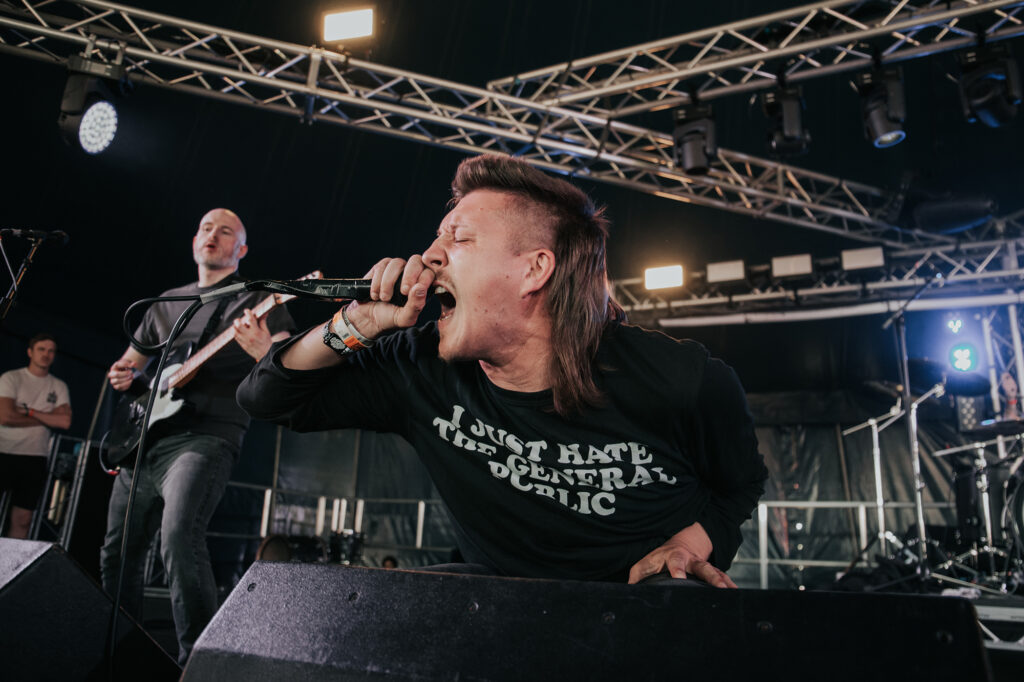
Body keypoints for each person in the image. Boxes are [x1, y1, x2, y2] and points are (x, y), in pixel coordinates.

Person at [238, 156, 767, 586]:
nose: (428, 256)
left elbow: (739, 488)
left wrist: (687, 546)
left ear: (534, 269)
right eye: (436, 238)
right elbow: (267, 397)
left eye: (459, 239)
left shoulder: (681, 378)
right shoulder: (419, 366)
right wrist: (357, 322)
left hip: (635, 604)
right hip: (499, 602)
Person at [102, 208, 295, 664]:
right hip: (145, 441)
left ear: (241, 249)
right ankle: (123, 654)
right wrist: (123, 372)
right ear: (194, 241)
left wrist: (265, 350)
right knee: (117, 552)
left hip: (207, 436)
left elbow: (287, 362)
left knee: (178, 537)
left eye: (226, 231)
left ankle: (200, 663)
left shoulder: (256, 296)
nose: (213, 235)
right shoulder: (169, 300)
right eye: (207, 228)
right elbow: (134, 362)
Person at [0, 333, 71, 538]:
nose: (46, 354)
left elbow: (64, 422)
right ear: (30, 352)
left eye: (51, 351)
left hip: (34, 458)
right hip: (3, 452)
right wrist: (47, 417)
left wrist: (29, 412)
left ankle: (10, 567)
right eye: (41, 349)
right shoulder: (12, 378)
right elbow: (5, 417)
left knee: (23, 520)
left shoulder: (58, 386)